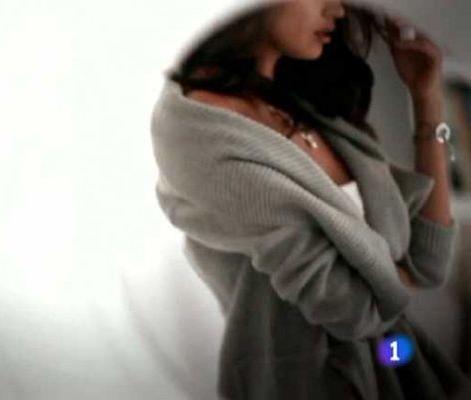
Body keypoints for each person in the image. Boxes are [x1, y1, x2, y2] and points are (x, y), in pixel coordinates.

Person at [149, 0, 471, 398]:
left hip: (398, 368)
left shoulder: (301, 104)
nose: (338, 10)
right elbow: (353, 309)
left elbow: (428, 261)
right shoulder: (200, 131)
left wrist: (426, 98)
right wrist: (393, 284)